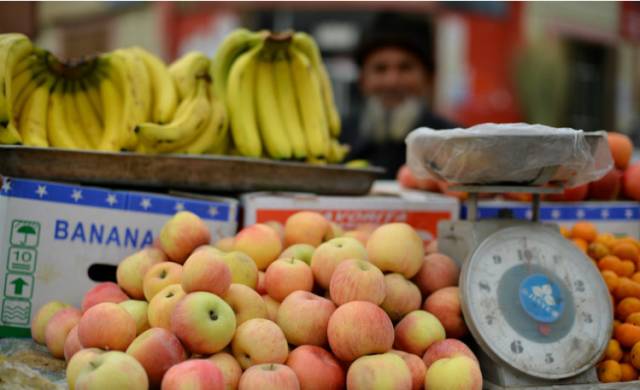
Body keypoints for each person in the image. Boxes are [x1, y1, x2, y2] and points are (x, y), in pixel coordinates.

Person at [340, 12, 457, 178]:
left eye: (405, 68)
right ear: (362, 80)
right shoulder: (335, 141)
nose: (392, 82)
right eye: (380, 68)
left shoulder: (453, 143)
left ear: (428, 78)